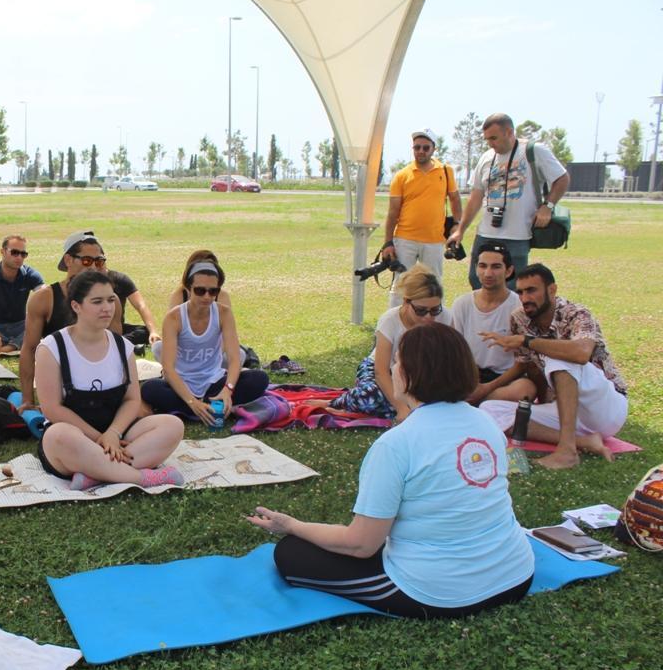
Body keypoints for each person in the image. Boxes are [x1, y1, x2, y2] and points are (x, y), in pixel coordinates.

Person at [247, 322, 534, 619]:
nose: (393, 367)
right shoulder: (487, 422)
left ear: (409, 375)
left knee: (291, 553)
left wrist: (292, 525)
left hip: (442, 593)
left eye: (398, 361)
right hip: (517, 574)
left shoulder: (396, 444)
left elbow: (360, 545)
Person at [36, 270, 185, 490]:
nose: (107, 308)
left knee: (172, 425)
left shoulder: (122, 346)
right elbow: (51, 409)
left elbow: (132, 399)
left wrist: (113, 434)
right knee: (58, 436)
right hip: (76, 438)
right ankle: (141, 478)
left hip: (118, 433)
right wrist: (100, 439)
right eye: (97, 301)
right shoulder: (52, 347)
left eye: (111, 300)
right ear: (76, 306)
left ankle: (95, 475)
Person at [479, 264, 628, 470]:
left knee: (560, 356)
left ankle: (567, 452)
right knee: (491, 410)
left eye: (531, 290)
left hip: (604, 408)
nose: (525, 298)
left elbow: (581, 353)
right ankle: (583, 441)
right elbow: (528, 366)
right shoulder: (519, 317)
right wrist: (487, 389)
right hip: (565, 410)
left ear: (552, 290)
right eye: (521, 292)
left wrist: (527, 341)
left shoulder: (577, 313)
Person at [447, 113, 569, 290]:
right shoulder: (486, 157)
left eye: (494, 138)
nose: (490, 143)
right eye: (487, 139)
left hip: (517, 236)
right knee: (478, 282)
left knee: (513, 288)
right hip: (486, 235)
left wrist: (548, 206)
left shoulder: (534, 151)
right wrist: (460, 230)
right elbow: (476, 197)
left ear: (509, 132)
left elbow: (562, 178)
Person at [141, 260, 269, 422]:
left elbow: (235, 358)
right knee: (150, 389)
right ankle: (205, 408)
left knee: (259, 379)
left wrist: (227, 390)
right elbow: (168, 369)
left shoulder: (224, 313)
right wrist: (191, 401)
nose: (207, 296)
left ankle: (202, 408)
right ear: (188, 289)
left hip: (213, 381)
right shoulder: (174, 318)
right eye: (200, 290)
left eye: (213, 291)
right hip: (182, 385)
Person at [324, 263, 452, 421]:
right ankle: (335, 403)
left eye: (435, 310)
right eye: (421, 310)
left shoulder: (446, 317)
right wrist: (401, 408)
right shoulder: (390, 320)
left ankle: (369, 407)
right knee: (370, 396)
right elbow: (381, 372)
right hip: (383, 370)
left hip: (417, 375)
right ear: (406, 302)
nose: (429, 317)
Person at [18, 231, 108, 409]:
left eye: (99, 261)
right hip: (60, 381)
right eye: (86, 260)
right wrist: (27, 400)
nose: (92, 267)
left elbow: (115, 352)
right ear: (68, 260)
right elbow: (29, 349)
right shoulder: (44, 298)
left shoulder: (109, 301)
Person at [379, 129, 462, 303]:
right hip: (405, 238)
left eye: (425, 147)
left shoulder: (446, 171)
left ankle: (435, 323)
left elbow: (455, 199)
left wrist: (457, 224)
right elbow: (393, 211)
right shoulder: (402, 175)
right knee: (400, 284)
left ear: (433, 149)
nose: (421, 151)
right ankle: (395, 325)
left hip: (434, 240)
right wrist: (388, 242)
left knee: (434, 283)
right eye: (417, 148)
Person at [450, 242, 534, 404]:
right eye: (482, 266)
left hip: (503, 379)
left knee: (526, 389)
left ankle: (474, 402)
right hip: (470, 375)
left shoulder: (519, 306)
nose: (488, 273)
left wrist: (486, 389)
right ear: (476, 269)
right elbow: (455, 351)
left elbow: (523, 362)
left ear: (508, 271)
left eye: (496, 267)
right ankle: (478, 401)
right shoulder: (463, 303)